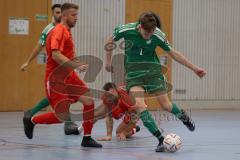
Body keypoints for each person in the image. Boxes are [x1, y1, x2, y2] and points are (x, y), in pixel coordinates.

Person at [105, 12, 206, 152]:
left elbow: (174, 53)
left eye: (152, 32)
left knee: (166, 105)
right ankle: (160, 139)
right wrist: (108, 61)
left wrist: (195, 69)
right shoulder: (126, 29)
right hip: (134, 75)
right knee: (139, 106)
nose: (149, 36)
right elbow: (110, 40)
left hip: (153, 72)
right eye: (147, 33)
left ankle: (184, 117)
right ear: (140, 27)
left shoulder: (157, 35)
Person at [23, 3, 102, 148]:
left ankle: (87, 138)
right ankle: (32, 120)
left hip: (69, 77)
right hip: (56, 79)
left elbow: (68, 55)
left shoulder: (67, 31)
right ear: (64, 16)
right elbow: (56, 55)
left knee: (88, 101)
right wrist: (76, 65)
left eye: (77, 15)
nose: (76, 18)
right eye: (73, 15)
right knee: (62, 117)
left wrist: (78, 62)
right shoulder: (59, 30)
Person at [21, 4, 80, 136]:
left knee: (70, 95)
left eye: (60, 12)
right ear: (54, 14)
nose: (59, 15)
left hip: (65, 71)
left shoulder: (66, 28)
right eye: (57, 13)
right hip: (55, 72)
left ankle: (33, 113)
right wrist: (28, 61)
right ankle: (33, 114)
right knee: (60, 98)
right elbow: (39, 47)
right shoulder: (50, 29)